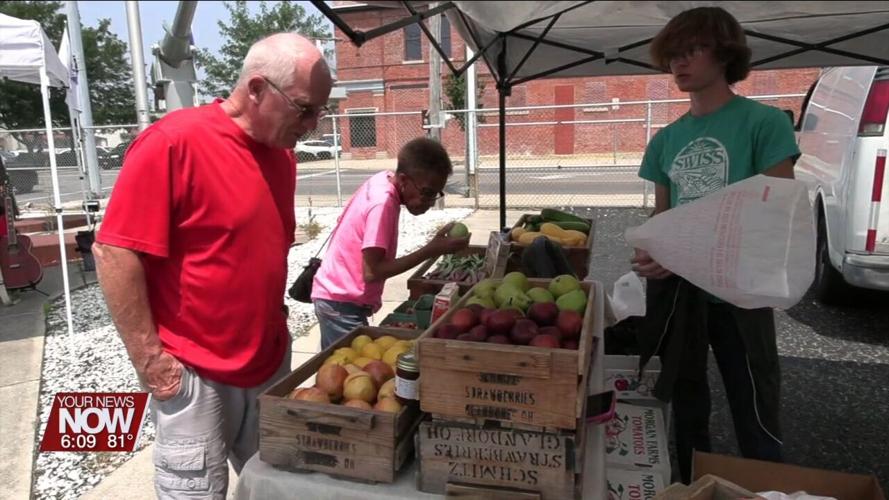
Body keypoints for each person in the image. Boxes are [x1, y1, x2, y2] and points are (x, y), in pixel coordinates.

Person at [94, 33, 332, 499]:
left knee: (278, 489)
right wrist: (151, 361)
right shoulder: (173, 142)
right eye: (305, 109)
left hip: (267, 363)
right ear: (258, 89)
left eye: (321, 110)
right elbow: (115, 251)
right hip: (194, 374)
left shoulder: (282, 157)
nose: (315, 124)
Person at [631, 6, 799, 483]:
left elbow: (775, 209)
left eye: (692, 51)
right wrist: (653, 250)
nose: (679, 64)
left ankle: (770, 491)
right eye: (673, 55)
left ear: (725, 54)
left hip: (741, 292)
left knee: (755, 406)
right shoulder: (665, 140)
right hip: (681, 294)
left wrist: (690, 245)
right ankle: (693, 488)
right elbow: (662, 218)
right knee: (687, 408)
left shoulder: (765, 124)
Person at [312, 137, 469, 349]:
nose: (430, 202)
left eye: (436, 194)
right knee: (346, 371)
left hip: (338, 298)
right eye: (427, 192)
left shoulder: (384, 180)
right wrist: (430, 250)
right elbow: (372, 271)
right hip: (341, 303)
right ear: (403, 180)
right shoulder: (383, 204)